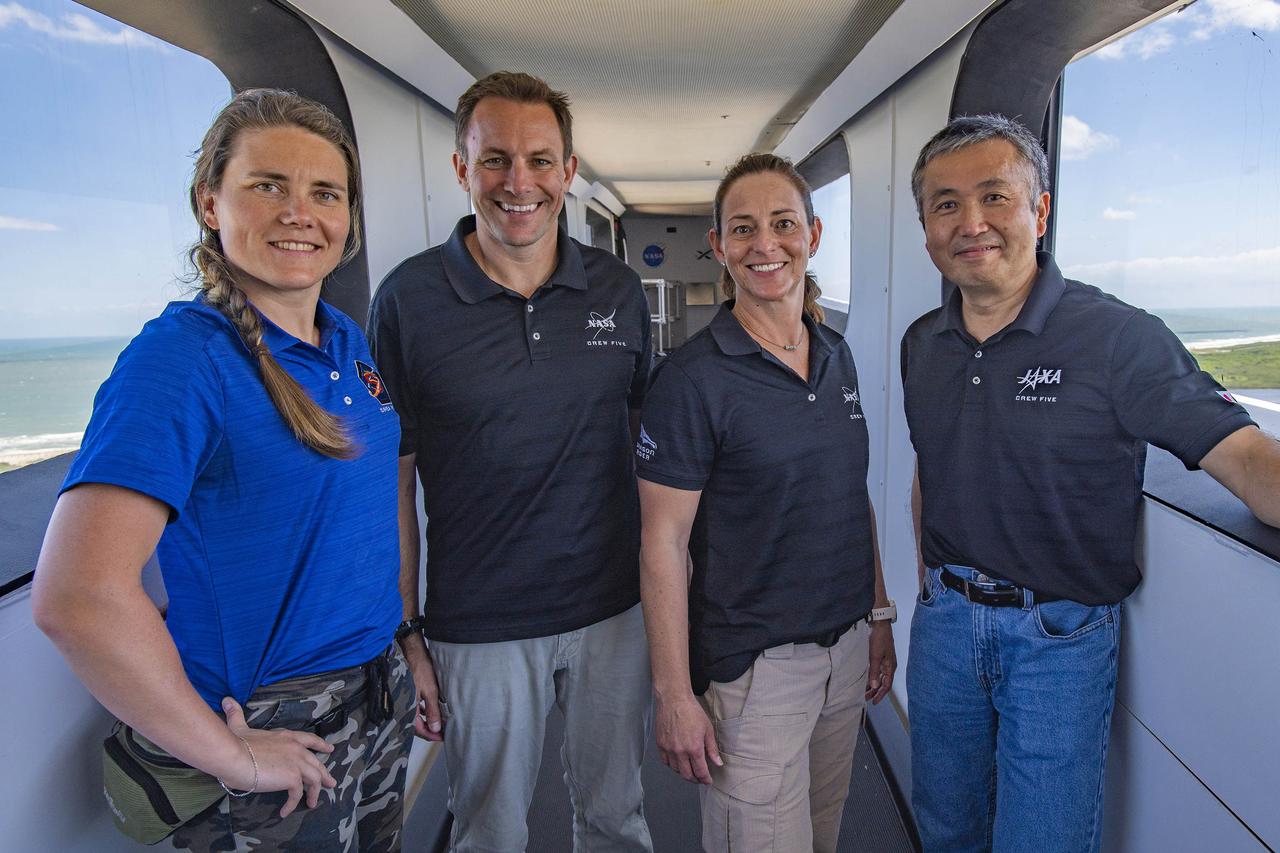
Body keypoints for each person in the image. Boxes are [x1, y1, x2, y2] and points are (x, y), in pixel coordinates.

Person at [31, 88, 415, 851]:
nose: (298, 212)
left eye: (324, 193)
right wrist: (233, 754)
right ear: (211, 202)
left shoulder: (345, 338)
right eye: (267, 184)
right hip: (270, 724)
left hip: (375, 695)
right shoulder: (182, 361)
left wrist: (403, 645)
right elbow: (77, 598)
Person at [902, 113, 1280, 853]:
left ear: (1040, 210)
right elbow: (932, 466)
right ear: (926, 228)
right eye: (946, 204)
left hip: (1058, 640)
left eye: (994, 197)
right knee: (944, 829)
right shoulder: (925, 342)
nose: (970, 222)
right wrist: (927, 588)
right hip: (943, 623)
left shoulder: (1118, 337)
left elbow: (1246, 458)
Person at [366, 71, 654, 852]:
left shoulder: (619, 291)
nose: (517, 182)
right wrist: (408, 630)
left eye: (539, 160)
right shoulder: (408, 302)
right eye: (494, 160)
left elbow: (649, 452)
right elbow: (391, 482)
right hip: (478, 624)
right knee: (487, 831)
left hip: (613, 610)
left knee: (617, 819)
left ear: (567, 169)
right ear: (462, 169)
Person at [636, 152, 898, 853]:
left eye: (783, 224)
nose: (765, 244)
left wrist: (877, 612)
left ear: (812, 235)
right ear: (719, 247)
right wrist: (673, 695)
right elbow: (662, 545)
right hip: (755, 675)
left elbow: (850, 495)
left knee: (823, 835)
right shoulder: (690, 381)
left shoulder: (836, 356)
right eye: (743, 229)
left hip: (844, 655)